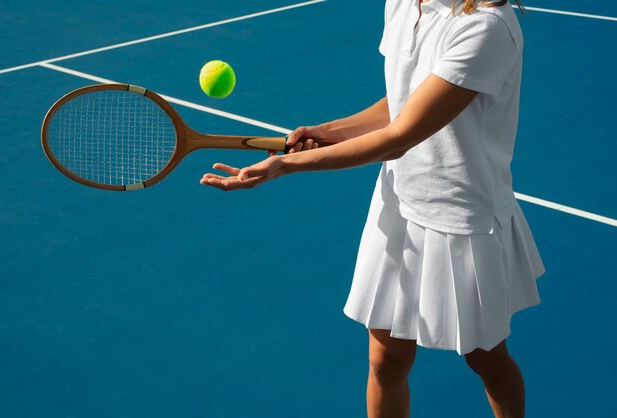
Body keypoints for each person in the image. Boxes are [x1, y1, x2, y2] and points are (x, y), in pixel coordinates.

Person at [200, 0, 545, 416]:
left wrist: (286, 164)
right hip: (398, 204)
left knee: (485, 359)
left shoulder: (487, 27)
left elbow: (400, 136)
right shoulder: (402, 2)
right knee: (385, 362)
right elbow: (402, 101)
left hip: (460, 219)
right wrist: (328, 131)